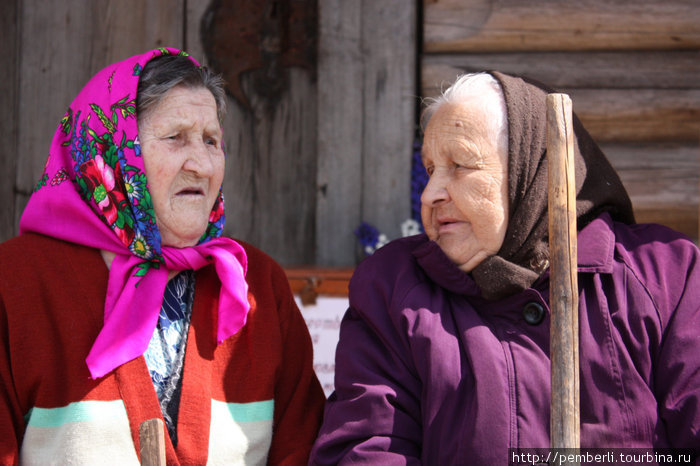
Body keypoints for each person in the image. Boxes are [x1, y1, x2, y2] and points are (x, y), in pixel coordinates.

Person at [309, 72, 700, 464]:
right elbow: (367, 449)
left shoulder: (666, 276)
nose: (429, 194)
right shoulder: (394, 289)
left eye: (459, 165)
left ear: (530, 171)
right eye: (429, 169)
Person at [0, 47, 325, 464]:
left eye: (211, 141)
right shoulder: (17, 282)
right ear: (112, 150)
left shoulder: (255, 282)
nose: (203, 165)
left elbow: (301, 446)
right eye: (175, 138)